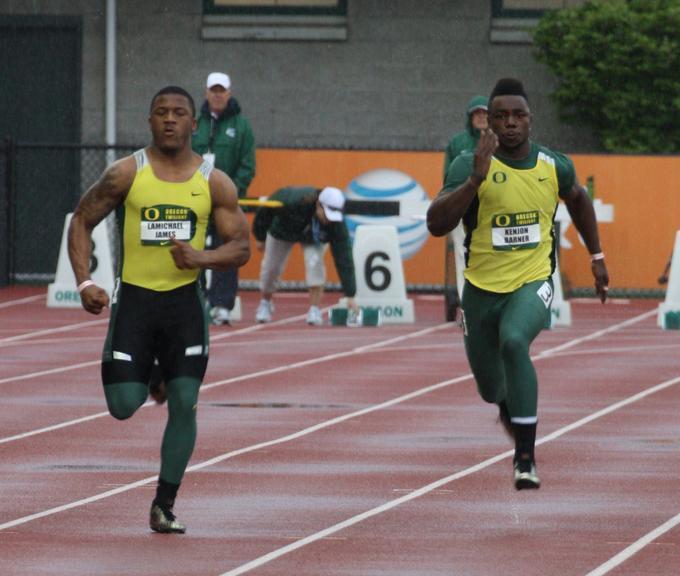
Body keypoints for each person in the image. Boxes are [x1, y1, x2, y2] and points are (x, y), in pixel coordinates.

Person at [67, 86, 250, 533]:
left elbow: (241, 246)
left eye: (179, 113)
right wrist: (85, 281)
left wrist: (200, 258)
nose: (170, 119)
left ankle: (164, 504)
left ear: (193, 124)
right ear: (149, 121)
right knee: (123, 405)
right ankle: (151, 375)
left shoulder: (213, 181)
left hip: (184, 306)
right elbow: (82, 219)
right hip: (135, 303)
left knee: (185, 402)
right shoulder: (126, 173)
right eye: (161, 112)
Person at [427, 78, 609, 490]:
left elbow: (578, 199)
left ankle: (525, 459)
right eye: (500, 117)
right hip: (480, 290)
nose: (510, 124)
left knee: (514, 341)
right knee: (492, 389)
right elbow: (437, 224)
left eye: (518, 116)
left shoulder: (553, 165)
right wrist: (475, 180)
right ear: (487, 123)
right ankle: (513, 410)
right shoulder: (466, 164)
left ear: (530, 120)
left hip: (534, 281)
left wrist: (596, 256)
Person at [192, 72, 256, 326]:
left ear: (229, 93)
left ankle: (221, 304)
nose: (217, 94)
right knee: (194, 248)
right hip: (195, 199)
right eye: (213, 90)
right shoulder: (195, 123)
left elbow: (247, 165)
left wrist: (232, 193)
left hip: (226, 203)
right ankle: (195, 300)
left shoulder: (241, 126)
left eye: (222, 90)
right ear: (207, 92)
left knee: (226, 250)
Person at [252, 186, 359, 325]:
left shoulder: (336, 224)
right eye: (326, 214)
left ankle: (314, 309)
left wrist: (350, 294)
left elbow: (344, 257)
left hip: (313, 238)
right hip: (282, 230)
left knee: (315, 264)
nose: (329, 219)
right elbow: (265, 209)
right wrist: (260, 236)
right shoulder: (292, 200)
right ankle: (265, 302)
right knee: (271, 268)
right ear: (318, 205)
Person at [442, 96, 489, 322]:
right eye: (476, 113)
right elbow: (447, 177)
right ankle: (467, 306)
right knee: (463, 256)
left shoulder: (498, 141)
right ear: (470, 117)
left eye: (485, 113)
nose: (481, 117)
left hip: (490, 210)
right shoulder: (457, 143)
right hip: (462, 209)